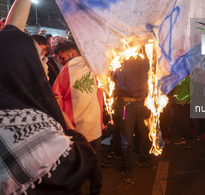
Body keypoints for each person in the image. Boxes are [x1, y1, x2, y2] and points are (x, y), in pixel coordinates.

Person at [0, 0, 95, 195]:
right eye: (40, 58)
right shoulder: (37, 146)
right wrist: (52, 105)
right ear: (25, 70)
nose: (47, 62)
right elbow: (82, 156)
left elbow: (9, 39)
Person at [52, 40, 104, 195]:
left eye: (62, 58)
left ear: (72, 53)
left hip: (76, 131)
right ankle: (96, 191)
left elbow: (55, 99)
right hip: (94, 127)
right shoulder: (95, 65)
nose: (61, 62)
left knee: (76, 167)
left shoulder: (67, 70)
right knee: (95, 164)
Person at [113, 49, 152, 185]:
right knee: (126, 139)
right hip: (126, 106)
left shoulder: (144, 60)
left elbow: (149, 77)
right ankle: (127, 169)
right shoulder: (119, 59)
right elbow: (114, 83)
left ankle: (144, 158)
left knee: (145, 133)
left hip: (142, 103)